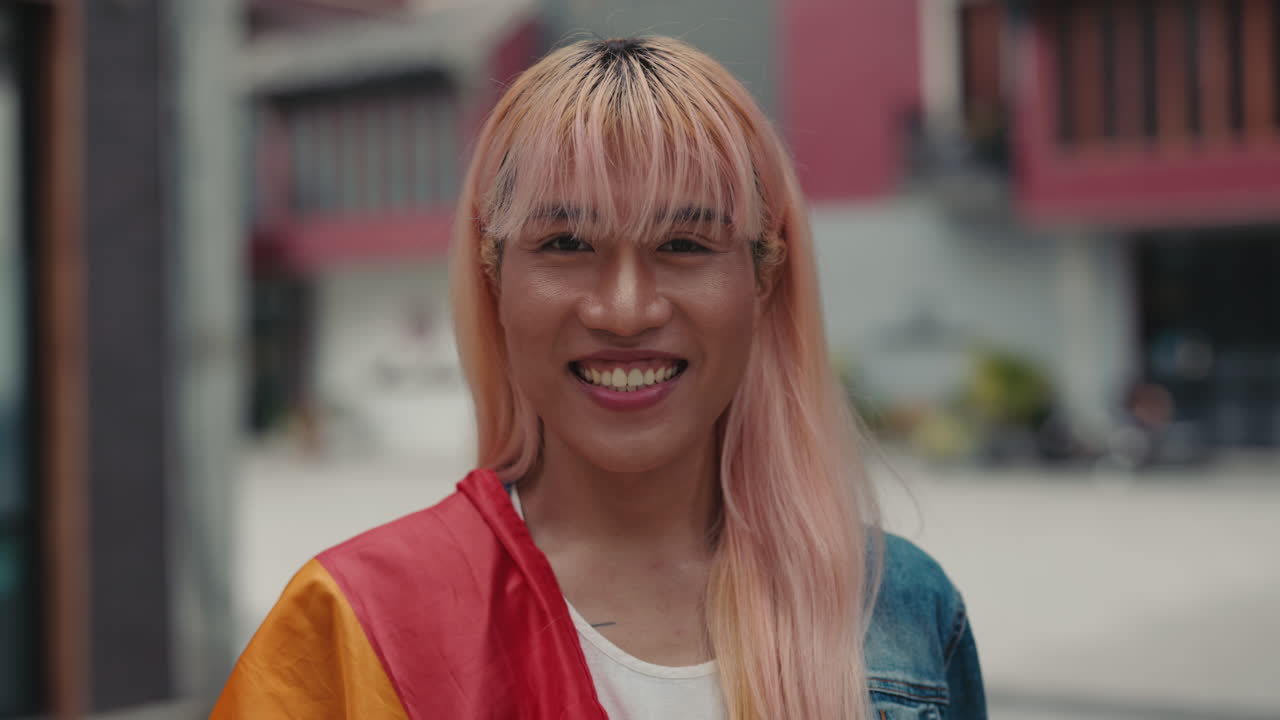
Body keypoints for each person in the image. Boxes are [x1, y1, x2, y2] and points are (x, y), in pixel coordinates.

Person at [212, 36, 986, 719]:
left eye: (684, 243)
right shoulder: (357, 622)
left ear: (764, 277)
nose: (625, 310)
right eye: (566, 242)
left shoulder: (904, 614)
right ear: (495, 277)